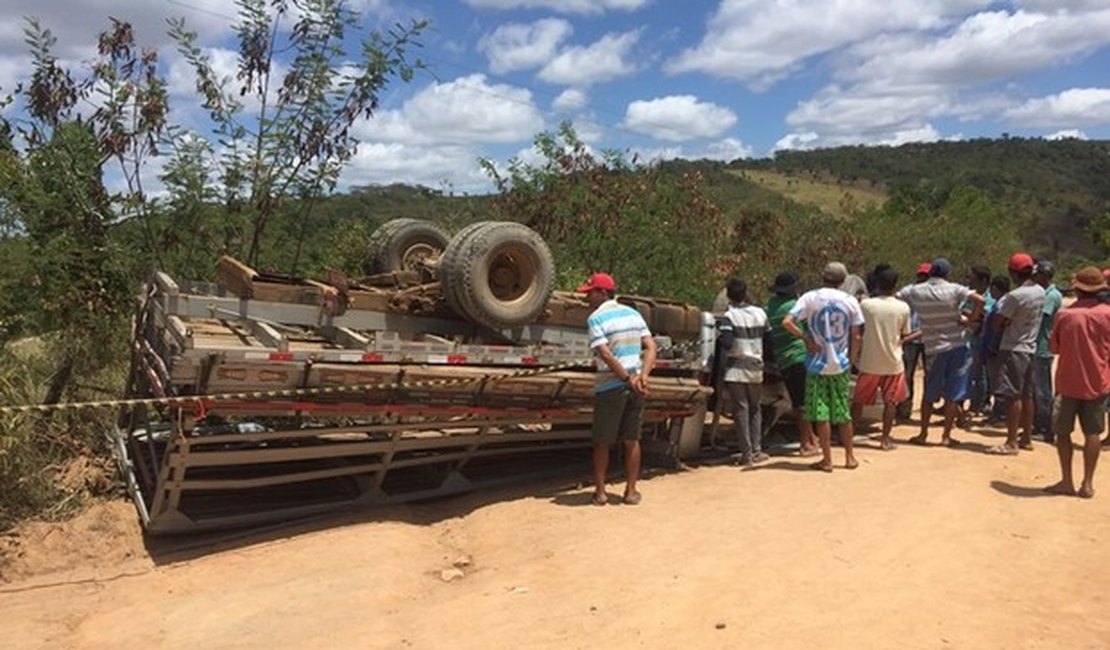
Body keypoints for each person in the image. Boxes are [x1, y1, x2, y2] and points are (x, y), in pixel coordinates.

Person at [580, 272, 657, 506]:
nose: (587, 298)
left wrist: (626, 378)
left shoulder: (595, 318)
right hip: (636, 386)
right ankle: (631, 492)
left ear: (603, 293)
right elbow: (651, 347)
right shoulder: (634, 314)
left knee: (602, 441)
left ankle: (601, 493)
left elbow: (605, 353)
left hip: (610, 386)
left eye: (590, 293)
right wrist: (642, 376)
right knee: (632, 440)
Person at [783, 262, 864, 472]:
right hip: (841, 363)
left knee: (821, 413)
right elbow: (856, 335)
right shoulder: (850, 301)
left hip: (816, 364)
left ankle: (827, 459)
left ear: (823, 276)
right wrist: (852, 359)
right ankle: (849, 457)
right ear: (843, 280)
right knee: (843, 411)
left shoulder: (810, 297)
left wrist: (807, 340)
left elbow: (788, 321)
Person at [896, 257, 985, 446]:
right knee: (954, 394)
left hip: (934, 348)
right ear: (947, 273)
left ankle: (923, 433)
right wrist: (970, 321)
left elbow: (896, 296)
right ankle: (946, 436)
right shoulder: (954, 289)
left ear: (930, 273)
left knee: (929, 393)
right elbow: (980, 299)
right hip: (958, 346)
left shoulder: (915, 290)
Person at [1044, 267, 1110, 498]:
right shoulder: (1107, 314)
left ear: (1078, 289)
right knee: (1093, 433)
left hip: (1068, 382)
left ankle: (1067, 481)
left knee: (1063, 432)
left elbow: (1055, 348)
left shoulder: (1065, 315)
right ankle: (1088, 483)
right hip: (1098, 381)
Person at [986, 252, 1045, 455]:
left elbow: (998, 323)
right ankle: (1026, 438)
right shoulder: (1040, 291)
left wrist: (1007, 322)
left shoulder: (1015, 296)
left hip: (1012, 348)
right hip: (1030, 348)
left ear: (1013, 272)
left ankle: (1011, 442)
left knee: (1012, 396)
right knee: (1027, 396)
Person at [851, 267, 916, 450]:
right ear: (895, 285)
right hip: (893, 362)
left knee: (858, 401)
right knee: (890, 402)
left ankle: (849, 434)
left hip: (869, 361)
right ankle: (885, 439)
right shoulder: (903, 307)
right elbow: (904, 334)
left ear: (877, 283)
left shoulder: (867, 306)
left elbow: (859, 330)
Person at [717, 277, 771, 467]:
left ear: (729, 295)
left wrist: (718, 338)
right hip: (756, 367)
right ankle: (757, 450)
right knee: (756, 409)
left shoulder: (729, 316)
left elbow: (727, 343)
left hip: (736, 369)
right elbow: (768, 340)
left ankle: (746, 454)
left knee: (741, 410)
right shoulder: (760, 314)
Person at [766, 272, 819, 456]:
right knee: (803, 403)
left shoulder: (771, 306)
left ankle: (812, 438)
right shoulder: (794, 307)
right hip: (798, 357)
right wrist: (807, 339)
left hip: (782, 359)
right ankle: (805, 444)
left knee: (799, 400)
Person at [896, 262, 931, 421]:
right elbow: (896, 296)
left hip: (929, 338)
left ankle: (927, 408)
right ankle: (905, 409)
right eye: (920, 275)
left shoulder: (934, 292)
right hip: (911, 337)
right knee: (908, 375)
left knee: (929, 375)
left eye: (925, 276)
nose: (922, 278)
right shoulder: (909, 290)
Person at [1032, 260, 1062, 443]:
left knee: (1042, 390)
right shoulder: (1044, 293)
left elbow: (1040, 318)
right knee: (1037, 388)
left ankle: (1046, 428)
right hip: (1037, 346)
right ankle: (1039, 424)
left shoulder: (1051, 296)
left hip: (1042, 347)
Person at [980, 275, 1012, 425]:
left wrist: (993, 346)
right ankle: (999, 413)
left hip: (995, 348)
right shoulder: (1001, 302)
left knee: (998, 381)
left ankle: (1000, 415)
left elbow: (998, 328)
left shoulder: (1001, 304)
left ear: (994, 288)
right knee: (996, 381)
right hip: (994, 346)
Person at [963, 265, 994, 415]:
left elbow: (982, 319)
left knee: (980, 375)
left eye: (972, 279)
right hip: (967, 339)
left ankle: (979, 404)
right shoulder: (969, 296)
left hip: (981, 342)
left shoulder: (991, 299)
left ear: (983, 281)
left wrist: (969, 318)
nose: (969, 282)